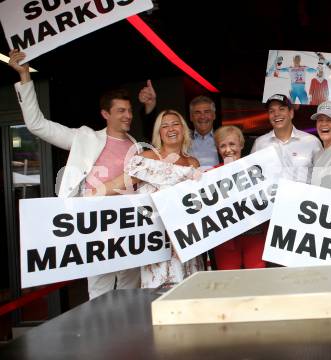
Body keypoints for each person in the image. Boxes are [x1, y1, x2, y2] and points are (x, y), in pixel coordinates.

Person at [8, 49, 157, 299]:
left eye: (130, 110)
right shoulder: (84, 138)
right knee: (99, 294)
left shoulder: (136, 145)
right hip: (95, 227)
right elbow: (37, 125)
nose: (128, 115)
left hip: (130, 226)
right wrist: (25, 77)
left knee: (131, 292)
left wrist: (150, 107)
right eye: (121, 111)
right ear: (105, 114)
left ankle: (130, 338)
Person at [97, 110, 205, 288]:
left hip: (186, 239)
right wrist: (92, 194)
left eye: (175, 124)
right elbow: (120, 183)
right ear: (159, 133)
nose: (171, 128)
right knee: (160, 295)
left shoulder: (193, 163)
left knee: (189, 291)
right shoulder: (146, 157)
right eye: (164, 125)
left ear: (183, 129)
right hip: (157, 240)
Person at [212, 126, 266, 269]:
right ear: (218, 149)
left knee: (257, 278)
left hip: (255, 236)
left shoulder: (257, 169)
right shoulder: (210, 175)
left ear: (241, 145)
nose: (228, 149)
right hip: (226, 241)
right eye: (222, 145)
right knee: (229, 283)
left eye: (232, 144)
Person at [251, 94, 322, 183]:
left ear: (291, 113)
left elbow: (323, 177)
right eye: (271, 111)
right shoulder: (260, 143)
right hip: (270, 196)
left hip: (303, 197)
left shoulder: (312, 142)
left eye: (281, 109)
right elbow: (252, 178)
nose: (276, 114)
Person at [188, 95, 219, 170]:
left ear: (214, 115)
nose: (202, 117)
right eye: (197, 113)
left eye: (207, 112)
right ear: (191, 117)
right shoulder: (183, 139)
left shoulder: (223, 138)